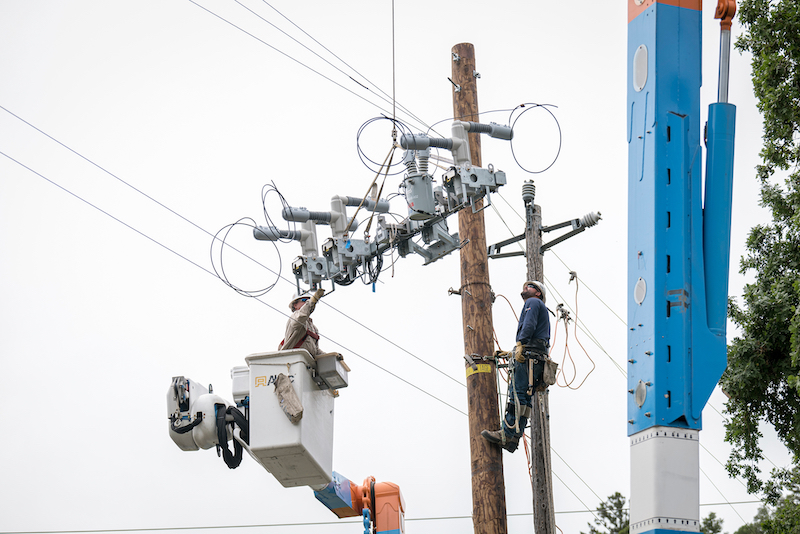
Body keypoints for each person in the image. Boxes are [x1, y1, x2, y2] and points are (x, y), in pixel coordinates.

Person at [481, 280, 551, 453]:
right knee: (525, 401)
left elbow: (529, 326)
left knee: (517, 396)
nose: (524, 289)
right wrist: (511, 352)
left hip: (529, 356)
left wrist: (521, 344)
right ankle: (514, 439)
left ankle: (506, 433)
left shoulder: (533, 302)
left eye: (529, 287)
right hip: (537, 360)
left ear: (538, 293)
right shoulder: (537, 305)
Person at [279, 287, 326, 357]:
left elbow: (316, 351)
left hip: (306, 363)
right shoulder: (295, 317)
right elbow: (301, 316)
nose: (307, 302)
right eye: (304, 300)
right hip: (293, 360)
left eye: (308, 300)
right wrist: (313, 300)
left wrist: (331, 357)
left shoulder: (313, 328)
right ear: (295, 305)